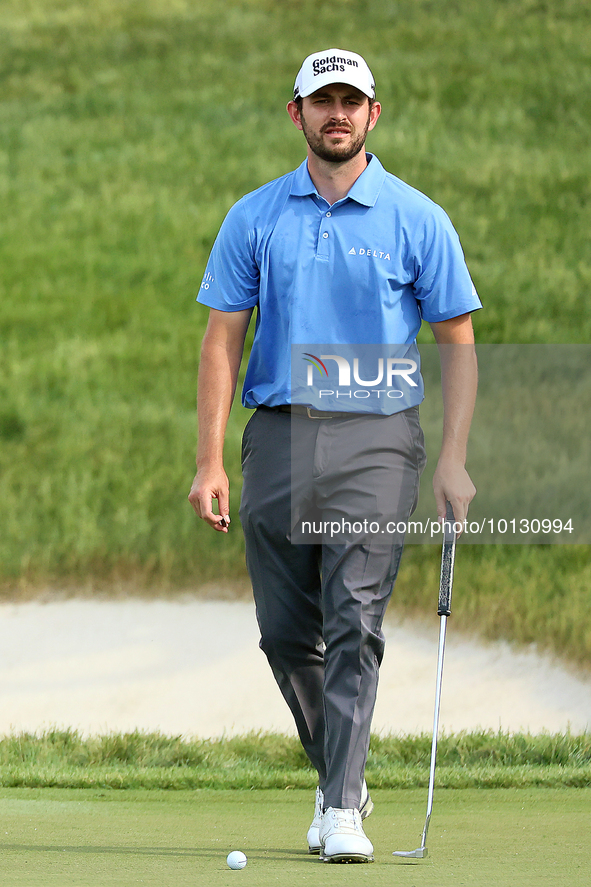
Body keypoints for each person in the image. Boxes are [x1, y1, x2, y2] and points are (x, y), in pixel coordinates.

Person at [189, 48, 480, 863]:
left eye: (352, 100)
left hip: (378, 436)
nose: (338, 113)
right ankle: (338, 775)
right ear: (297, 114)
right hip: (277, 434)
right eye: (323, 101)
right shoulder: (256, 216)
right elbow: (222, 340)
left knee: (355, 617)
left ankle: (343, 808)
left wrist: (452, 457)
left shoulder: (418, 218)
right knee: (286, 633)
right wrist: (209, 460)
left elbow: (456, 343)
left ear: (373, 115)